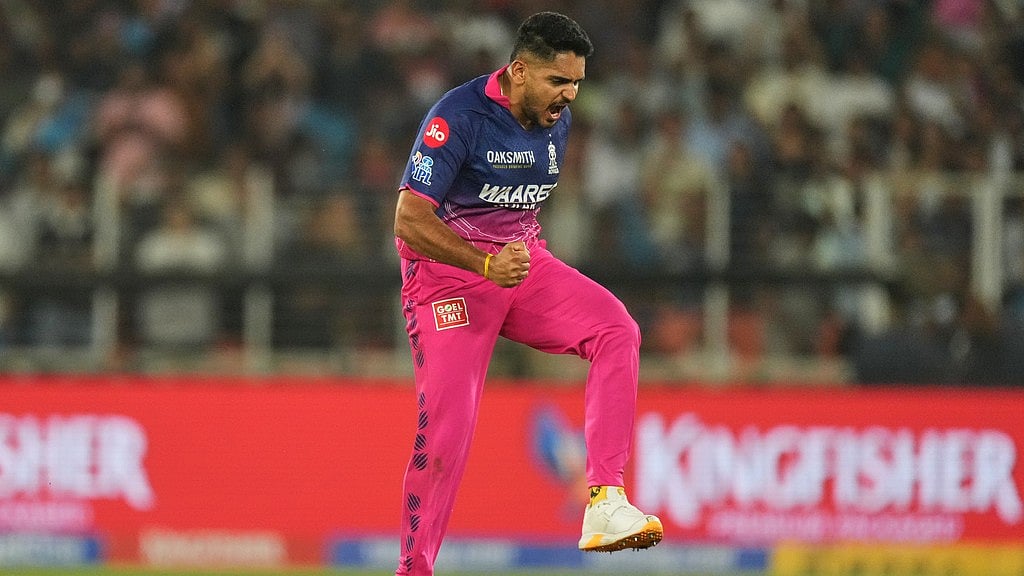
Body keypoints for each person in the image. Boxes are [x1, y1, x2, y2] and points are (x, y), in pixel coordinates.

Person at [391, 12, 663, 576]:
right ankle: (413, 570)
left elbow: (516, 209)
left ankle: (605, 501)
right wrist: (484, 262)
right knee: (446, 435)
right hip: (449, 281)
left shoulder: (555, 120)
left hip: (520, 265)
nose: (570, 96)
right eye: (558, 81)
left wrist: (508, 261)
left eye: (577, 83)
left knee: (617, 330)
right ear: (518, 71)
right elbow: (408, 221)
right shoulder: (458, 117)